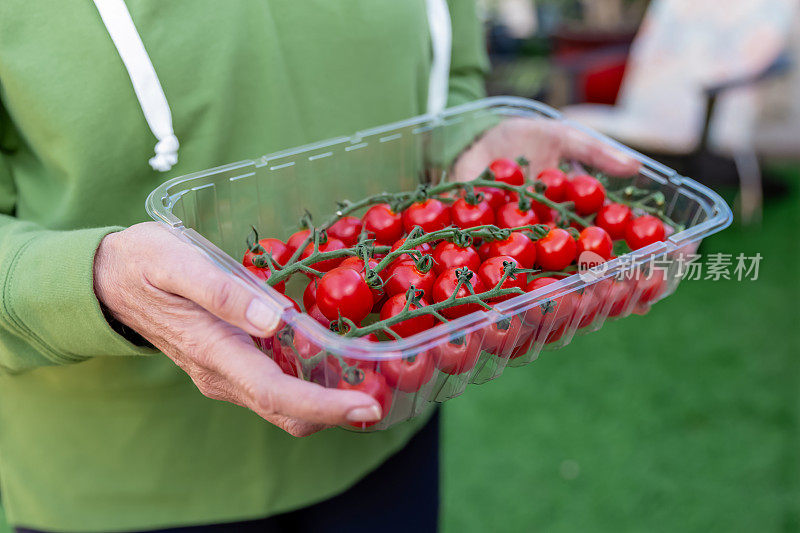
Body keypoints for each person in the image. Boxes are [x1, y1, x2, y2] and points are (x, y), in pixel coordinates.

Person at [0, 2, 638, 532]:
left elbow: (451, 75)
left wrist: (466, 140)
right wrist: (93, 279)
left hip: (387, 422)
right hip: (119, 488)